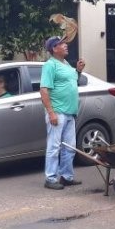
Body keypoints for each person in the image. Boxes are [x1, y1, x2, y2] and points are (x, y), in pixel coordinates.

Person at [40, 36, 85, 190]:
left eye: (65, 43)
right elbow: (44, 90)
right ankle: (50, 178)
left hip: (70, 112)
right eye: (62, 44)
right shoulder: (50, 65)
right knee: (54, 147)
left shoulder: (65, 64)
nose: (66, 45)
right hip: (57, 112)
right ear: (54, 49)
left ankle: (66, 176)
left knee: (70, 147)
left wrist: (78, 71)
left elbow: (73, 81)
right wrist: (51, 113)